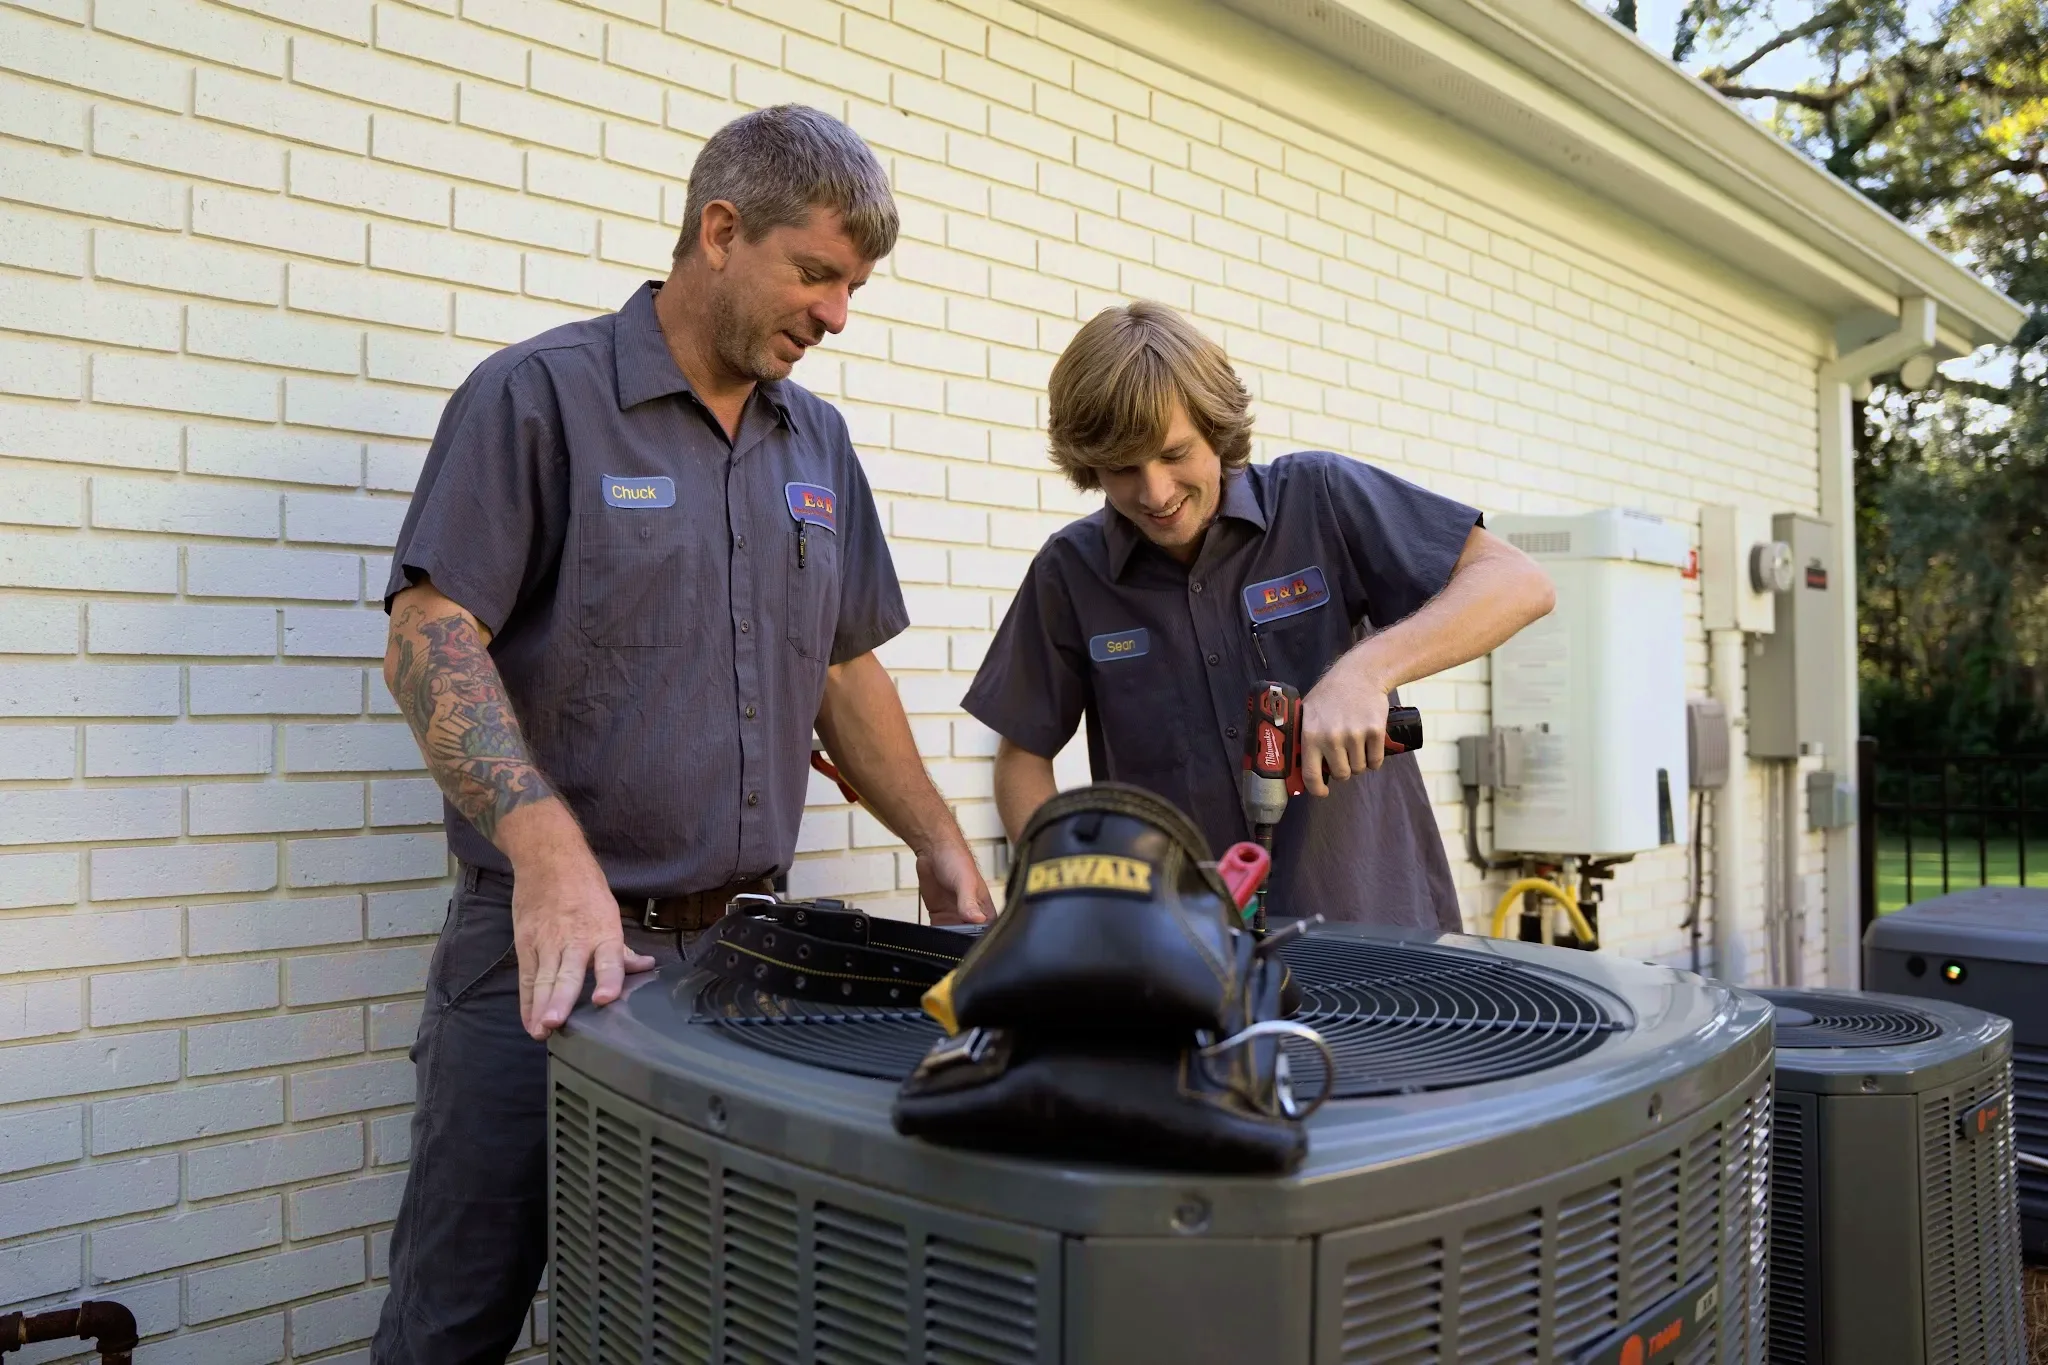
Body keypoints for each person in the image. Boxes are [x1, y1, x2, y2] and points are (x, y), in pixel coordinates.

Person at [371, 106, 993, 1364]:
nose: (836, 316)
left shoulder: (815, 440)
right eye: (815, 274)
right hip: (544, 959)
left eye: (853, 288)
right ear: (719, 230)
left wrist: (937, 843)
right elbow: (428, 635)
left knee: (702, 1317)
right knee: (455, 1319)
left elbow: (842, 665)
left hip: (745, 969)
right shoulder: (538, 398)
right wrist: (547, 851)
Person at [963, 301, 1554, 930]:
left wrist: (1364, 673)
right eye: (1122, 469)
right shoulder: (1070, 572)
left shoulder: (1318, 499)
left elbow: (1517, 581)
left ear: (1215, 429)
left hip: (1374, 925)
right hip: (1184, 947)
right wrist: (1066, 889)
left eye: (1174, 453)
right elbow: (1021, 759)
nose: (1155, 493)